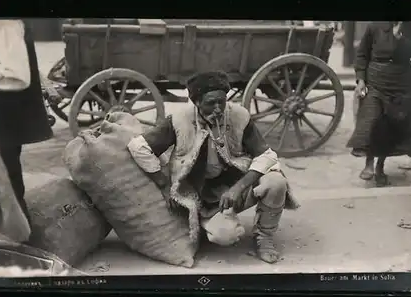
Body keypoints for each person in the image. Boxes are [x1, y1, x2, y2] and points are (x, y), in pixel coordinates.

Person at [127, 71, 299, 264]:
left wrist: (238, 188)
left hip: (236, 187)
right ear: (197, 102)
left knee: (276, 181)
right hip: (203, 197)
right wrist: (164, 186)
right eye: (210, 103)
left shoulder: (238, 116)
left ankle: (264, 238)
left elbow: (267, 155)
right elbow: (138, 147)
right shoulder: (179, 120)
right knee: (225, 236)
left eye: (222, 102)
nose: (218, 109)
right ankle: (205, 222)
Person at [0, 19, 53, 228]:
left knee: (2, 189)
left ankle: (15, 247)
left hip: (0, 118)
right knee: (1, 185)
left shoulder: (3, 21)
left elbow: (16, 75)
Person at [347, 21, 411, 187]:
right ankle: (369, 163)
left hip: (401, 84)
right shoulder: (374, 26)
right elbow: (362, 54)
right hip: (376, 80)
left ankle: (380, 166)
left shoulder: (409, 27)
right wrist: (361, 80)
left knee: (390, 126)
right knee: (372, 120)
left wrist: (399, 38)